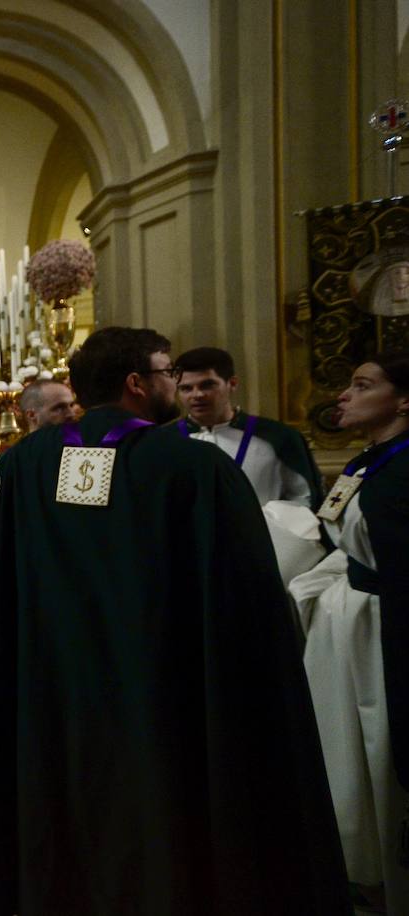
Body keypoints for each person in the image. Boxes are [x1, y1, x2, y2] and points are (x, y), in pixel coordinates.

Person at [0, 326, 348, 916]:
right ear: (137, 383)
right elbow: (247, 595)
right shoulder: (197, 469)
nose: (175, 384)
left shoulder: (17, 464)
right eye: (167, 373)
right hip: (166, 696)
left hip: (51, 694)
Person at [291, 351, 409, 913]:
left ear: (404, 400)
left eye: (363, 385)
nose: (344, 394)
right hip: (348, 619)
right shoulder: (370, 459)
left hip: (386, 627)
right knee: (345, 753)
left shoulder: (403, 468)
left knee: (381, 747)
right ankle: (361, 869)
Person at [174, 346, 322, 508]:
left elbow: (304, 498)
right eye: (186, 388)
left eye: (207, 385)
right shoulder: (166, 441)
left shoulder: (278, 437)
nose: (197, 395)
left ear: (232, 383)